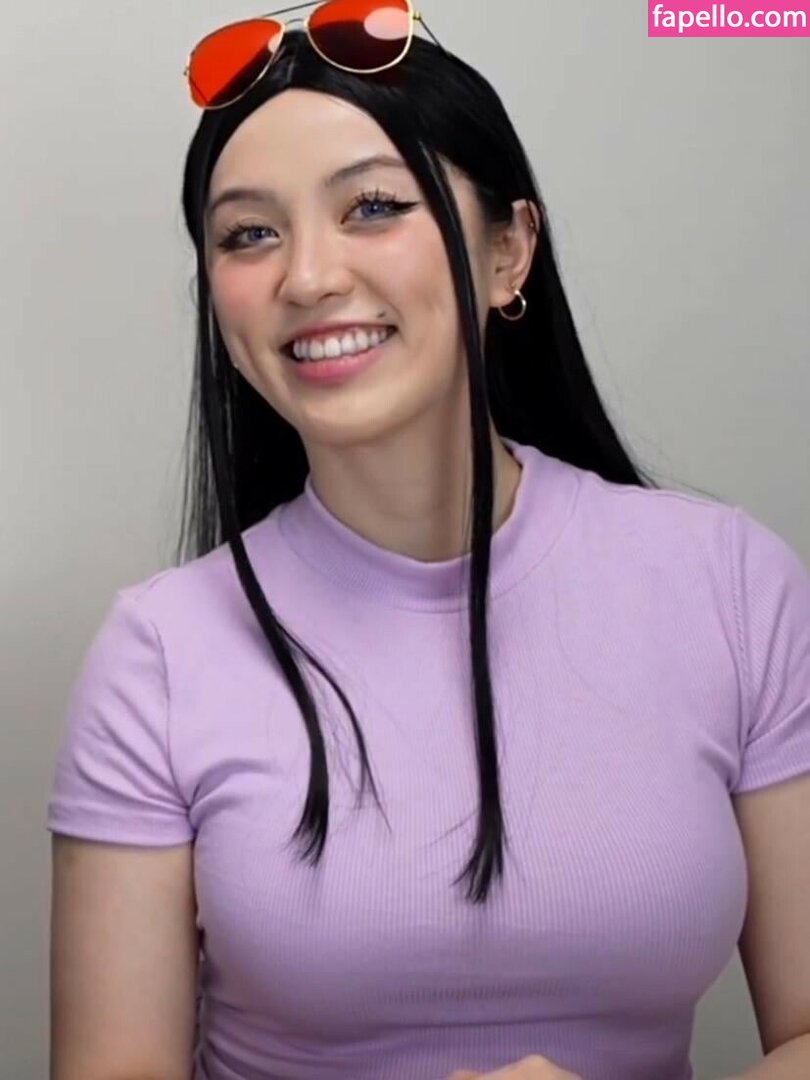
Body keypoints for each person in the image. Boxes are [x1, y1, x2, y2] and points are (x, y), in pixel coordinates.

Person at [47, 6, 810, 1080]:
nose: (307, 278)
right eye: (249, 234)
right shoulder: (160, 652)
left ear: (508, 251)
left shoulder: (728, 585)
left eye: (373, 207)